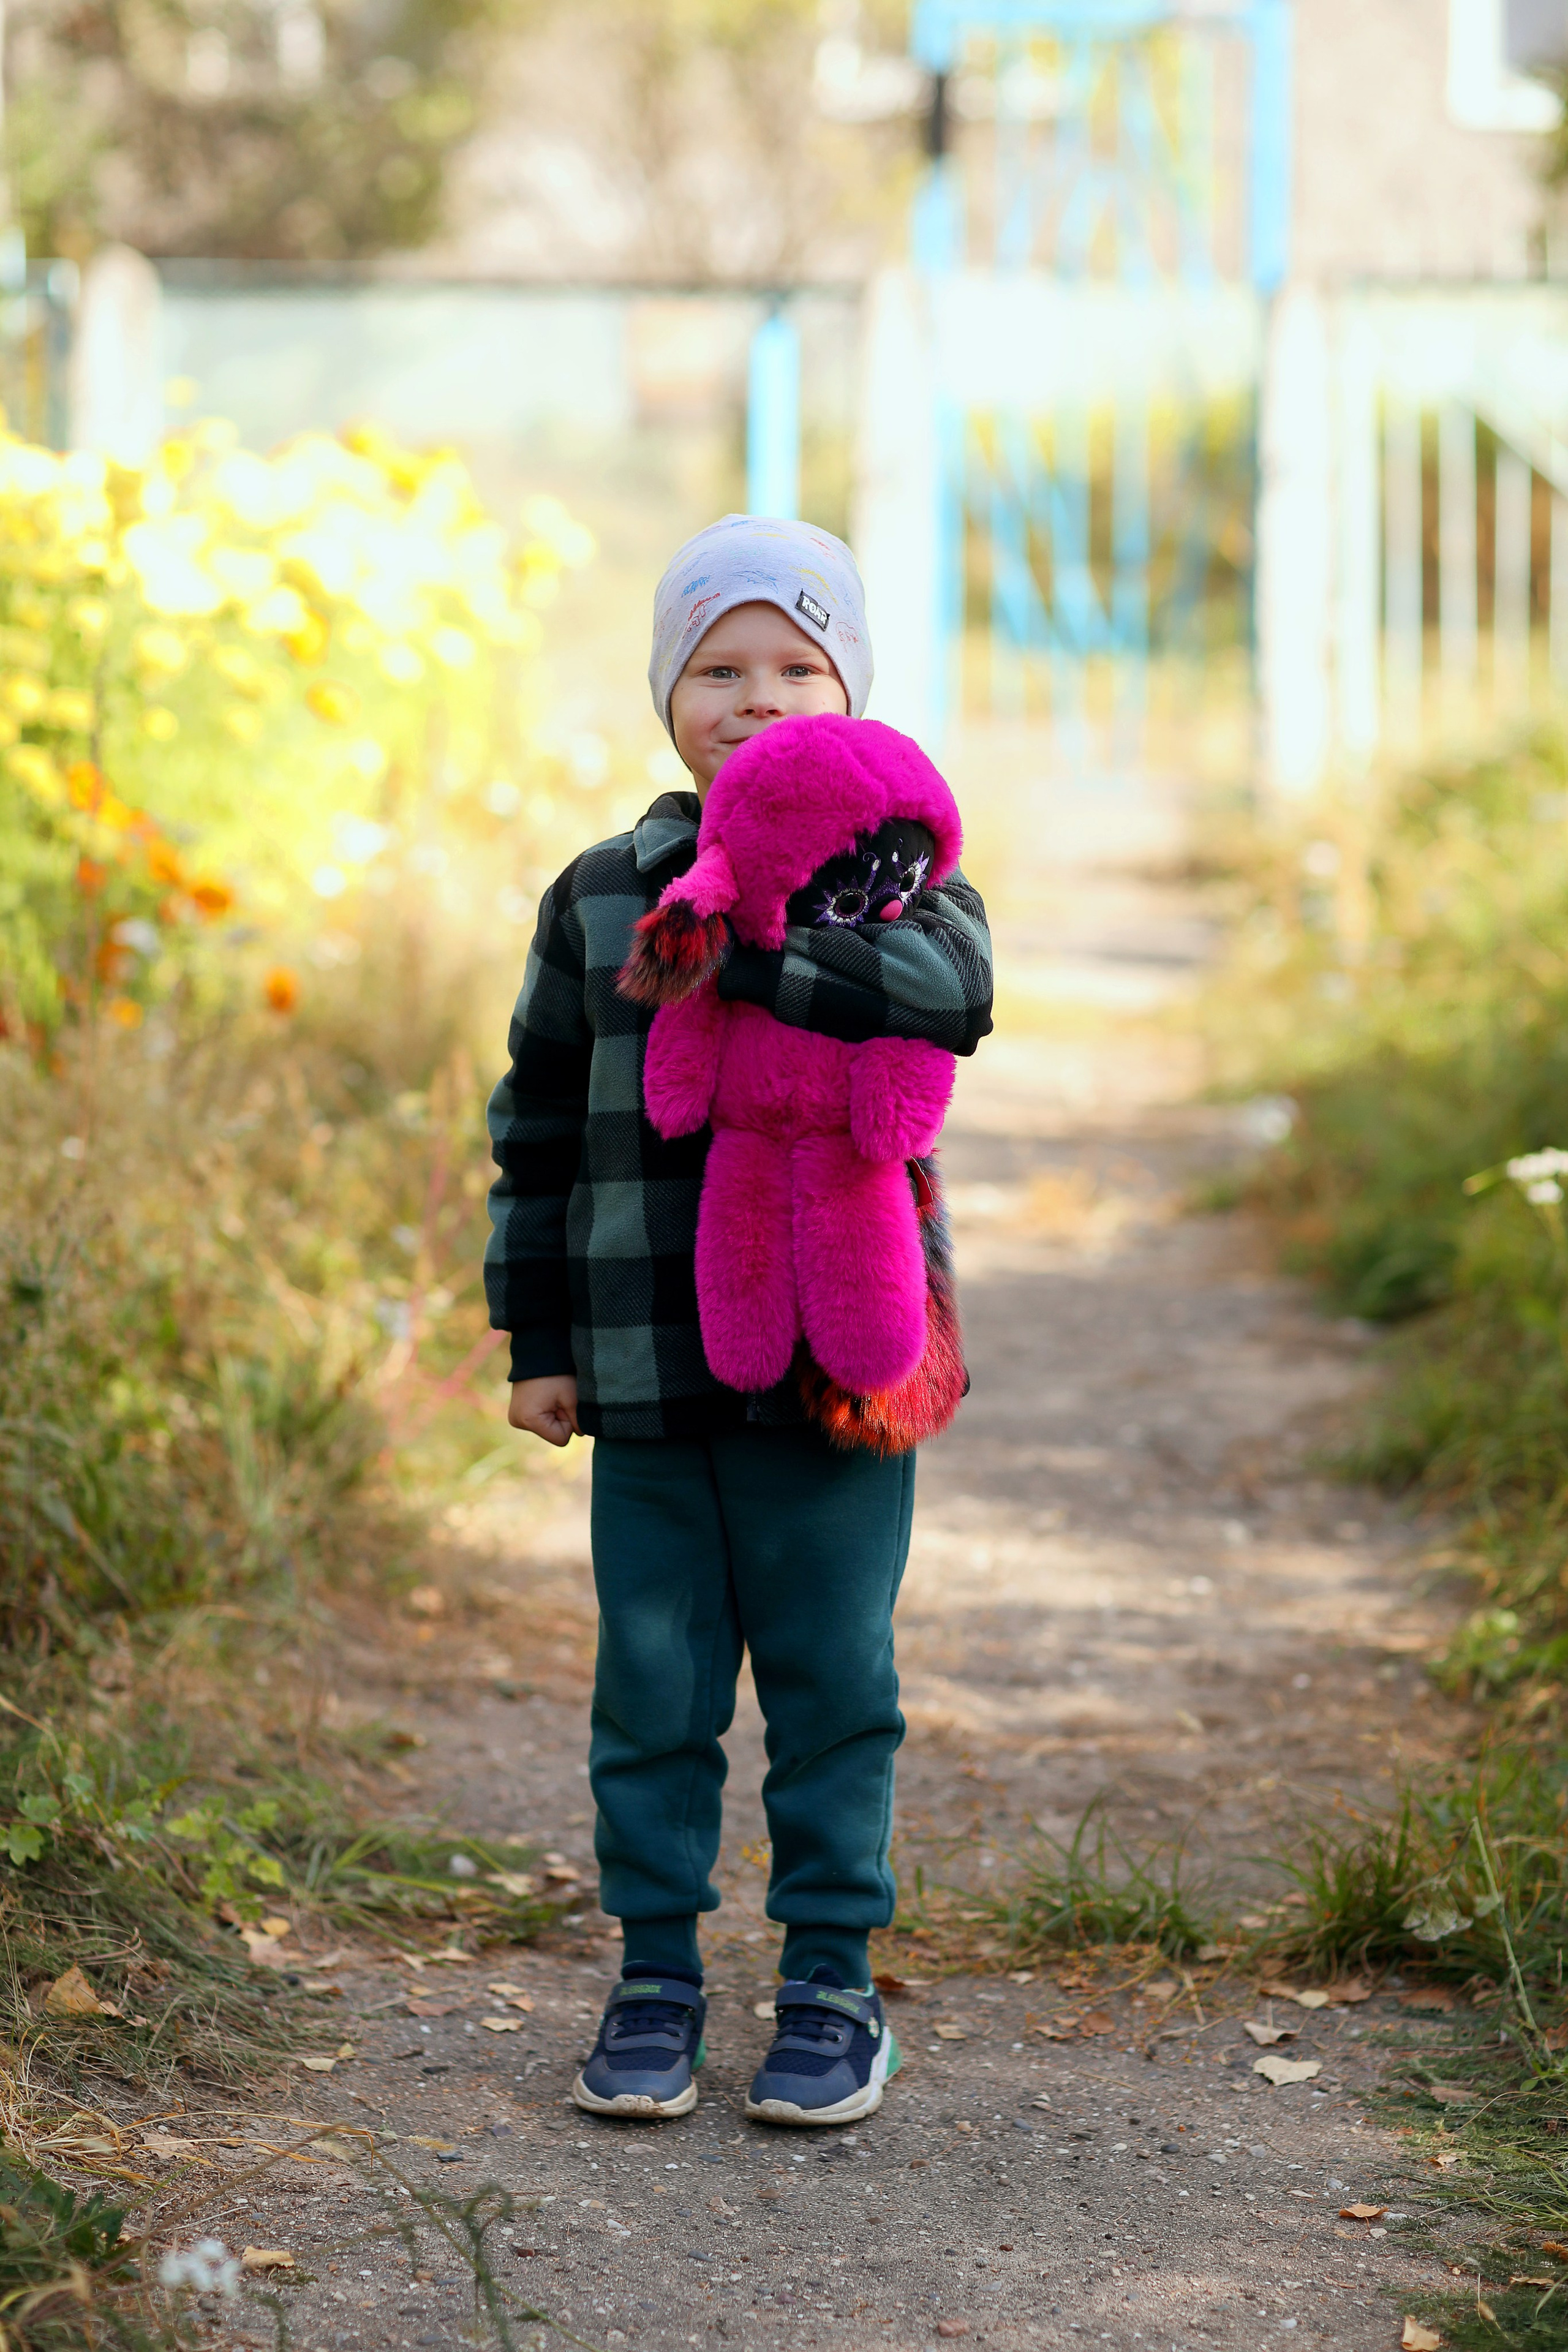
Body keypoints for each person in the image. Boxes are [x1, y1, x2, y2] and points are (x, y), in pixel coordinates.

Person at [485, 512, 993, 2125]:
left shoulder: (903, 876)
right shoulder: (601, 893)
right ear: (666, 693)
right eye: (718, 667)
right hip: (644, 1374)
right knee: (655, 1686)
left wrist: (763, 922)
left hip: (849, 1378)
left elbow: (951, 1003)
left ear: (850, 689)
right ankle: (654, 1977)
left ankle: (834, 1987)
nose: (756, 698)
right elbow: (539, 1127)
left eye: (796, 664)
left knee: (837, 1679)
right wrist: (540, 1341)